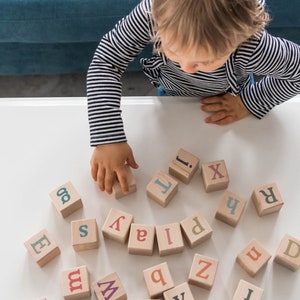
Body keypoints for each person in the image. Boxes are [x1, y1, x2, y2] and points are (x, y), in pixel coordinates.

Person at [87, 0, 300, 195]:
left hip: (234, 96)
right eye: (172, 49)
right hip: (174, 93)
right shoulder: (153, 12)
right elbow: (107, 59)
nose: (187, 68)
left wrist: (249, 101)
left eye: (204, 62)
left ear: (238, 41)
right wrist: (108, 138)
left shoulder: (252, 46)